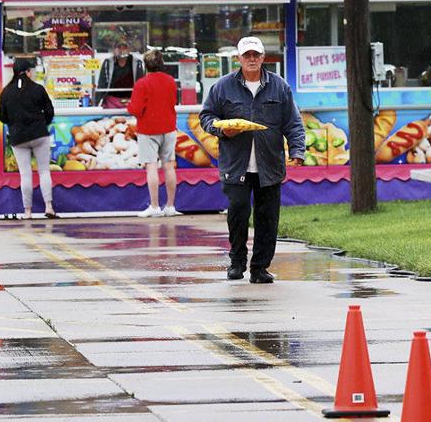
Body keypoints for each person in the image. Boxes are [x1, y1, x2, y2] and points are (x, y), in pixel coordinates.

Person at [199, 36, 304, 283]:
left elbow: (293, 122)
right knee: (238, 212)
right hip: (236, 165)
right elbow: (206, 116)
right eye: (247, 56)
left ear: (263, 57)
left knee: (268, 219)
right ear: (239, 59)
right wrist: (222, 130)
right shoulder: (223, 87)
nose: (252, 59)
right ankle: (237, 262)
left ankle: (260, 268)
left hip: (270, 165)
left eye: (256, 55)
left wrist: (297, 150)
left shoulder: (279, 87)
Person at [0, 57, 57, 219]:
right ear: (28, 72)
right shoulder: (38, 89)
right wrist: (41, 123)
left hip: (18, 137)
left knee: (25, 174)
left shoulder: (6, 92)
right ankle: (49, 206)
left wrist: (16, 123)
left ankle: (28, 211)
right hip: (39, 134)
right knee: (44, 171)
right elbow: (50, 111)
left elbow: (2, 117)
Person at [130, 50, 178, 217]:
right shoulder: (171, 81)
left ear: (145, 65)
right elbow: (174, 101)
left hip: (148, 130)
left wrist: (128, 107)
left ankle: (155, 207)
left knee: (151, 167)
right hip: (169, 127)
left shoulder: (142, 83)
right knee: (169, 166)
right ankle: (170, 206)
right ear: (162, 63)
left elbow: (135, 109)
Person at [96, 38, 144, 107]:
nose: (122, 50)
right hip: (111, 103)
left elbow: (140, 84)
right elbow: (102, 85)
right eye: (119, 47)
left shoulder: (137, 63)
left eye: (124, 47)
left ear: (129, 49)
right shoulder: (108, 62)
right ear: (114, 49)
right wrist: (96, 104)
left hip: (131, 101)